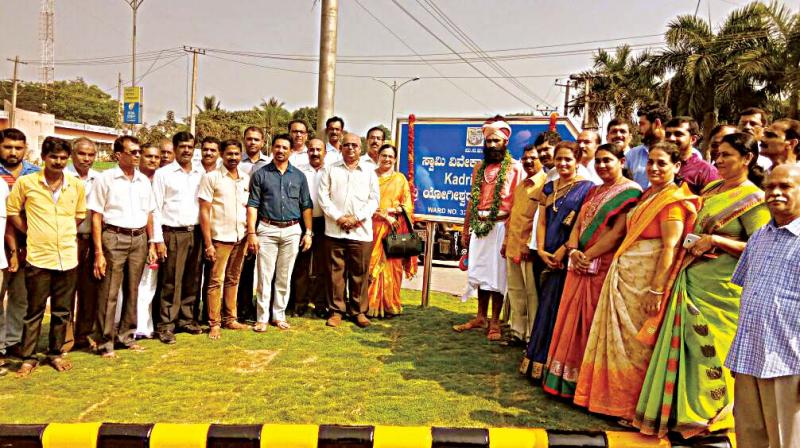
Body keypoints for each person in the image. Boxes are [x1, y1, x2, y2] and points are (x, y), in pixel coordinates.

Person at [634, 133, 769, 438]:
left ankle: (708, 418)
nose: (718, 161)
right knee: (686, 351)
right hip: (692, 278)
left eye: (726, 156)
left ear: (747, 159)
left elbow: (761, 247)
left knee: (709, 351)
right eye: (716, 155)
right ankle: (679, 416)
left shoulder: (754, 200)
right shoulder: (711, 188)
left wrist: (717, 240)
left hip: (722, 290)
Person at [574, 142, 699, 423]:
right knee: (618, 343)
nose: (654, 168)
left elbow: (670, 248)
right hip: (625, 278)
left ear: (676, 167)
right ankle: (608, 400)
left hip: (646, 284)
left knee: (638, 345)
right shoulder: (647, 196)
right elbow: (621, 233)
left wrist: (657, 289)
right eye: (651, 162)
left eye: (662, 163)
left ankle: (630, 407)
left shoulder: (673, 202)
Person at [542, 143, 642, 397]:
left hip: (601, 266)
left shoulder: (630, 193)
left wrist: (587, 255)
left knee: (589, 323)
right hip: (578, 263)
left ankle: (585, 385)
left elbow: (617, 232)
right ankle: (563, 381)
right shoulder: (594, 191)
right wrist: (574, 251)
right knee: (569, 319)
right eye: (598, 161)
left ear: (622, 161)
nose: (601, 165)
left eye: (608, 160)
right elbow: (577, 224)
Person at [725, 164, 800, 448]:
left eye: (785, 187)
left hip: (789, 364)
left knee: (788, 442)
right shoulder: (758, 237)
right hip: (749, 359)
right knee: (749, 439)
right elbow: (750, 298)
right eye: (770, 187)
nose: (775, 193)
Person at [9, 137, 86, 377]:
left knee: (62, 310)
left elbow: (79, 215)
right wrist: (32, 230)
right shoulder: (26, 183)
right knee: (35, 310)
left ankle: (55, 353)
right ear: (43, 157)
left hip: (67, 256)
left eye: (63, 158)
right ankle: (29, 357)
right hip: (39, 257)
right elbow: (13, 212)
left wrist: (61, 232)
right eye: (54, 157)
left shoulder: (75, 185)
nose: (59, 162)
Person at [521, 142, 594, 379]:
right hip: (546, 255)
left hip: (565, 258)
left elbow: (582, 225)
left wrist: (564, 250)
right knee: (544, 306)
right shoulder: (549, 187)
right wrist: (541, 249)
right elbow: (541, 221)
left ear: (578, 161)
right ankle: (535, 359)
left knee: (557, 310)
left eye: (568, 160)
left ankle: (550, 364)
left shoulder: (586, 189)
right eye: (559, 159)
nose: (563, 164)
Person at [453, 117, 525, 341]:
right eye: (489, 141)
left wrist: (509, 235)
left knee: (497, 275)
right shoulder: (479, 168)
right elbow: (471, 202)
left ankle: (495, 322)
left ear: (505, 143)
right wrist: (466, 230)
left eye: (497, 141)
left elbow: (518, 204)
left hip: (502, 226)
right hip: (479, 226)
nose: (492, 145)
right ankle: (480, 317)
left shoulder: (515, 168)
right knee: (481, 272)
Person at [90, 136, 157, 358]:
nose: (138, 155)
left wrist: (151, 242)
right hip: (113, 237)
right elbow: (96, 215)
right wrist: (98, 251)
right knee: (109, 292)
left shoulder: (143, 180)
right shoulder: (105, 179)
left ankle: (127, 336)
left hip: (138, 238)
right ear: (119, 155)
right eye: (133, 152)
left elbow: (149, 213)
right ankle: (105, 342)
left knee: (132, 289)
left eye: (139, 151)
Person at [246, 133, 313, 332]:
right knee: (265, 276)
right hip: (267, 229)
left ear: (291, 151)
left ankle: (279, 315)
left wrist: (308, 232)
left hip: (292, 230)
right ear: (272, 148)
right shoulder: (261, 174)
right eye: (277, 146)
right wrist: (252, 233)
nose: (281, 150)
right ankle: (262, 318)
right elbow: (253, 205)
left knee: (284, 276)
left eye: (285, 147)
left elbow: (306, 206)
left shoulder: (299, 176)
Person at [318, 133, 380, 328]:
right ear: (341, 148)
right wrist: (340, 218)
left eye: (354, 145)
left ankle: (358, 311)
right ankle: (336, 311)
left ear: (360, 149)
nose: (350, 148)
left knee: (359, 273)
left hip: (360, 232)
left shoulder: (369, 171)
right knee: (335, 274)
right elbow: (323, 197)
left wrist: (355, 218)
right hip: (334, 231)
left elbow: (374, 200)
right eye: (346, 145)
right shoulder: (330, 169)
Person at [152, 131, 204, 344]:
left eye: (190, 147)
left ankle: (186, 319)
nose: (186, 150)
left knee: (192, 279)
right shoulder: (163, 174)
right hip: (172, 232)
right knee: (171, 280)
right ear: (174, 148)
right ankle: (166, 325)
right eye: (182, 146)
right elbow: (155, 207)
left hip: (196, 232)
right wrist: (158, 240)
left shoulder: (200, 173)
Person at [198, 140, 252, 339]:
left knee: (233, 279)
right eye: (229, 154)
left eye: (237, 154)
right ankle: (214, 323)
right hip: (220, 237)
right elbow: (204, 211)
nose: (233, 158)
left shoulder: (245, 179)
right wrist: (208, 243)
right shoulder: (211, 178)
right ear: (221, 154)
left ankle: (231, 318)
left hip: (240, 236)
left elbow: (248, 208)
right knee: (215, 281)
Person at [501, 144, 546, 346]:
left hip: (528, 249)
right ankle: (517, 332)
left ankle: (531, 337)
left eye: (533, 158)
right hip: (512, 246)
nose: (528, 161)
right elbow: (512, 217)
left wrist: (531, 244)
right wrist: (505, 241)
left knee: (531, 295)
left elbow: (540, 220)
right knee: (515, 291)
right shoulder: (521, 186)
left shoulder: (545, 184)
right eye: (525, 158)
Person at [0, 128, 39, 360]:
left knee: (20, 295)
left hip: (28, 242)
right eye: (7, 147)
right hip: (2, 241)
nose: (13, 152)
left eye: (18, 148)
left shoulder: (35, 173)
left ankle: (14, 340)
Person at [366, 143, 416, 317]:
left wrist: (394, 211)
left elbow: (408, 205)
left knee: (392, 269)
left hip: (394, 229)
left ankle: (390, 304)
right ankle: (371, 306)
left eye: (390, 156)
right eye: (384, 155)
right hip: (373, 227)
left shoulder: (400, 179)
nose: (387, 159)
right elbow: (363, 203)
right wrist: (384, 214)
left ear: (394, 159)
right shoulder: (369, 177)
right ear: (378, 156)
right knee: (371, 265)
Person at [63, 137, 100, 352]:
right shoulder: (63, 177)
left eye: (91, 154)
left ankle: (84, 336)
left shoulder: (100, 178)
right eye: (82, 154)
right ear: (72, 154)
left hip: (91, 240)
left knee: (89, 292)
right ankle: (64, 338)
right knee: (66, 291)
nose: (86, 159)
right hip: (69, 240)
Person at [290, 138, 330, 318]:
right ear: (307, 152)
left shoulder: (330, 171)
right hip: (302, 221)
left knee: (322, 265)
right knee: (301, 265)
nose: (315, 153)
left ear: (325, 153)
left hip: (325, 222)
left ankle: (320, 304)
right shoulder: (299, 172)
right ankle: (299, 303)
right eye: (311, 149)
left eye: (318, 150)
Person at [237, 126, 267, 325]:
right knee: (244, 268)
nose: (252, 143)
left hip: (264, 220)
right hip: (242, 220)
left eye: (256, 139)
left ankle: (265, 307)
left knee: (266, 268)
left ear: (263, 142)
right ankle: (243, 307)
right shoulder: (236, 163)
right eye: (249, 139)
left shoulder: (270, 164)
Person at [665, 116, 720, 194]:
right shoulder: (659, 165)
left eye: (678, 134)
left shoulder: (706, 171)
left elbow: (714, 201)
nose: (671, 138)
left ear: (693, 139)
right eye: (668, 134)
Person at [626, 102, 672, 189]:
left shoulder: (680, 154)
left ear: (657, 123)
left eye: (642, 124)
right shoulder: (632, 155)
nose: (639, 129)